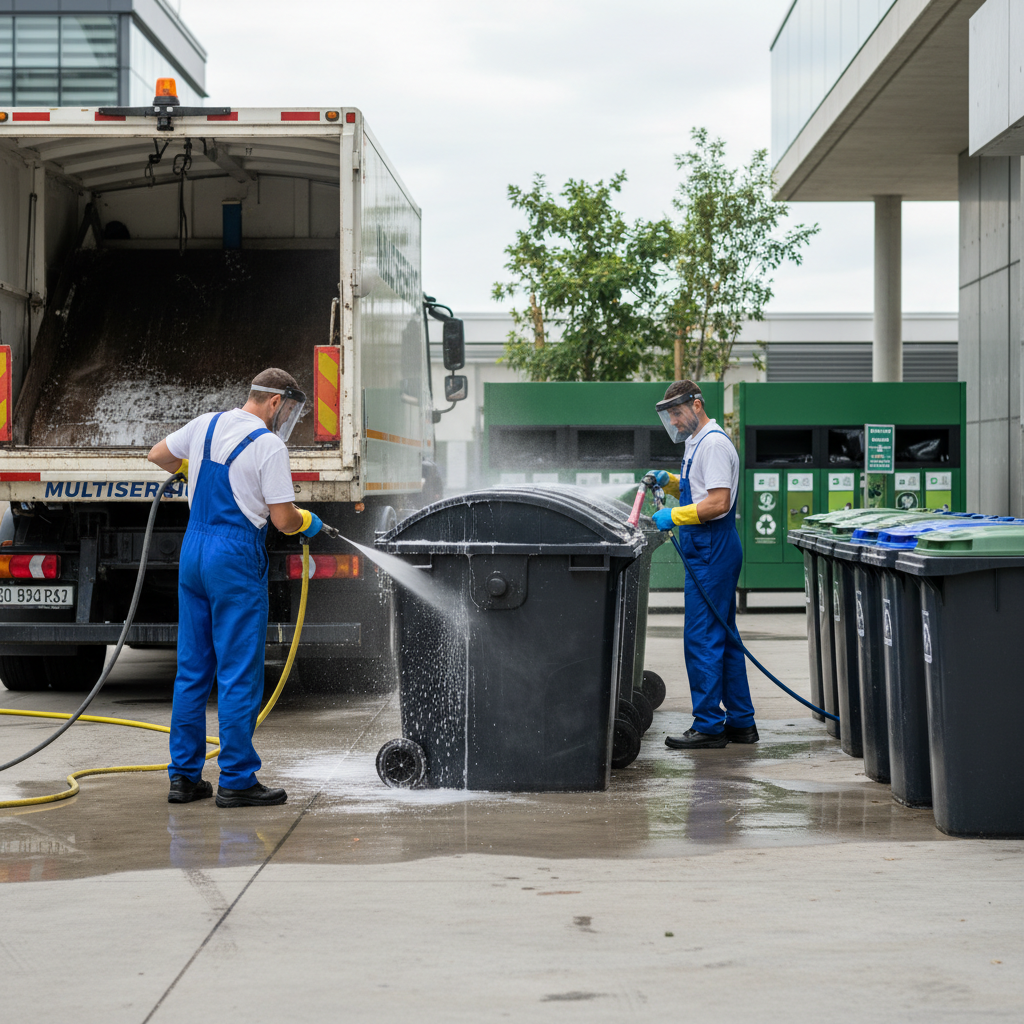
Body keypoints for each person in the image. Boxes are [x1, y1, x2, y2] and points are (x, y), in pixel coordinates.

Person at [147, 368, 323, 806]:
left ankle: (183, 778)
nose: (285, 418)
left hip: (194, 551)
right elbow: (282, 519)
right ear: (276, 401)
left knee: (192, 670)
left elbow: (157, 455)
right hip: (235, 559)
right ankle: (237, 780)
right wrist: (307, 521)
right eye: (288, 410)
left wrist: (188, 467)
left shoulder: (205, 424)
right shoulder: (269, 446)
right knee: (238, 671)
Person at [645, 380, 757, 749]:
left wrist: (673, 516)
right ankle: (741, 722)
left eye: (678, 413)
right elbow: (700, 488)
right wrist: (672, 483)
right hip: (709, 548)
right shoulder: (699, 441)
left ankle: (708, 726)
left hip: (712, 548)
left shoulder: (713, 444)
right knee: (723, 638)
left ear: (696, 404)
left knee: (702, 639)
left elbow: (718, 503)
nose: (675, 422)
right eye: (670, 417)